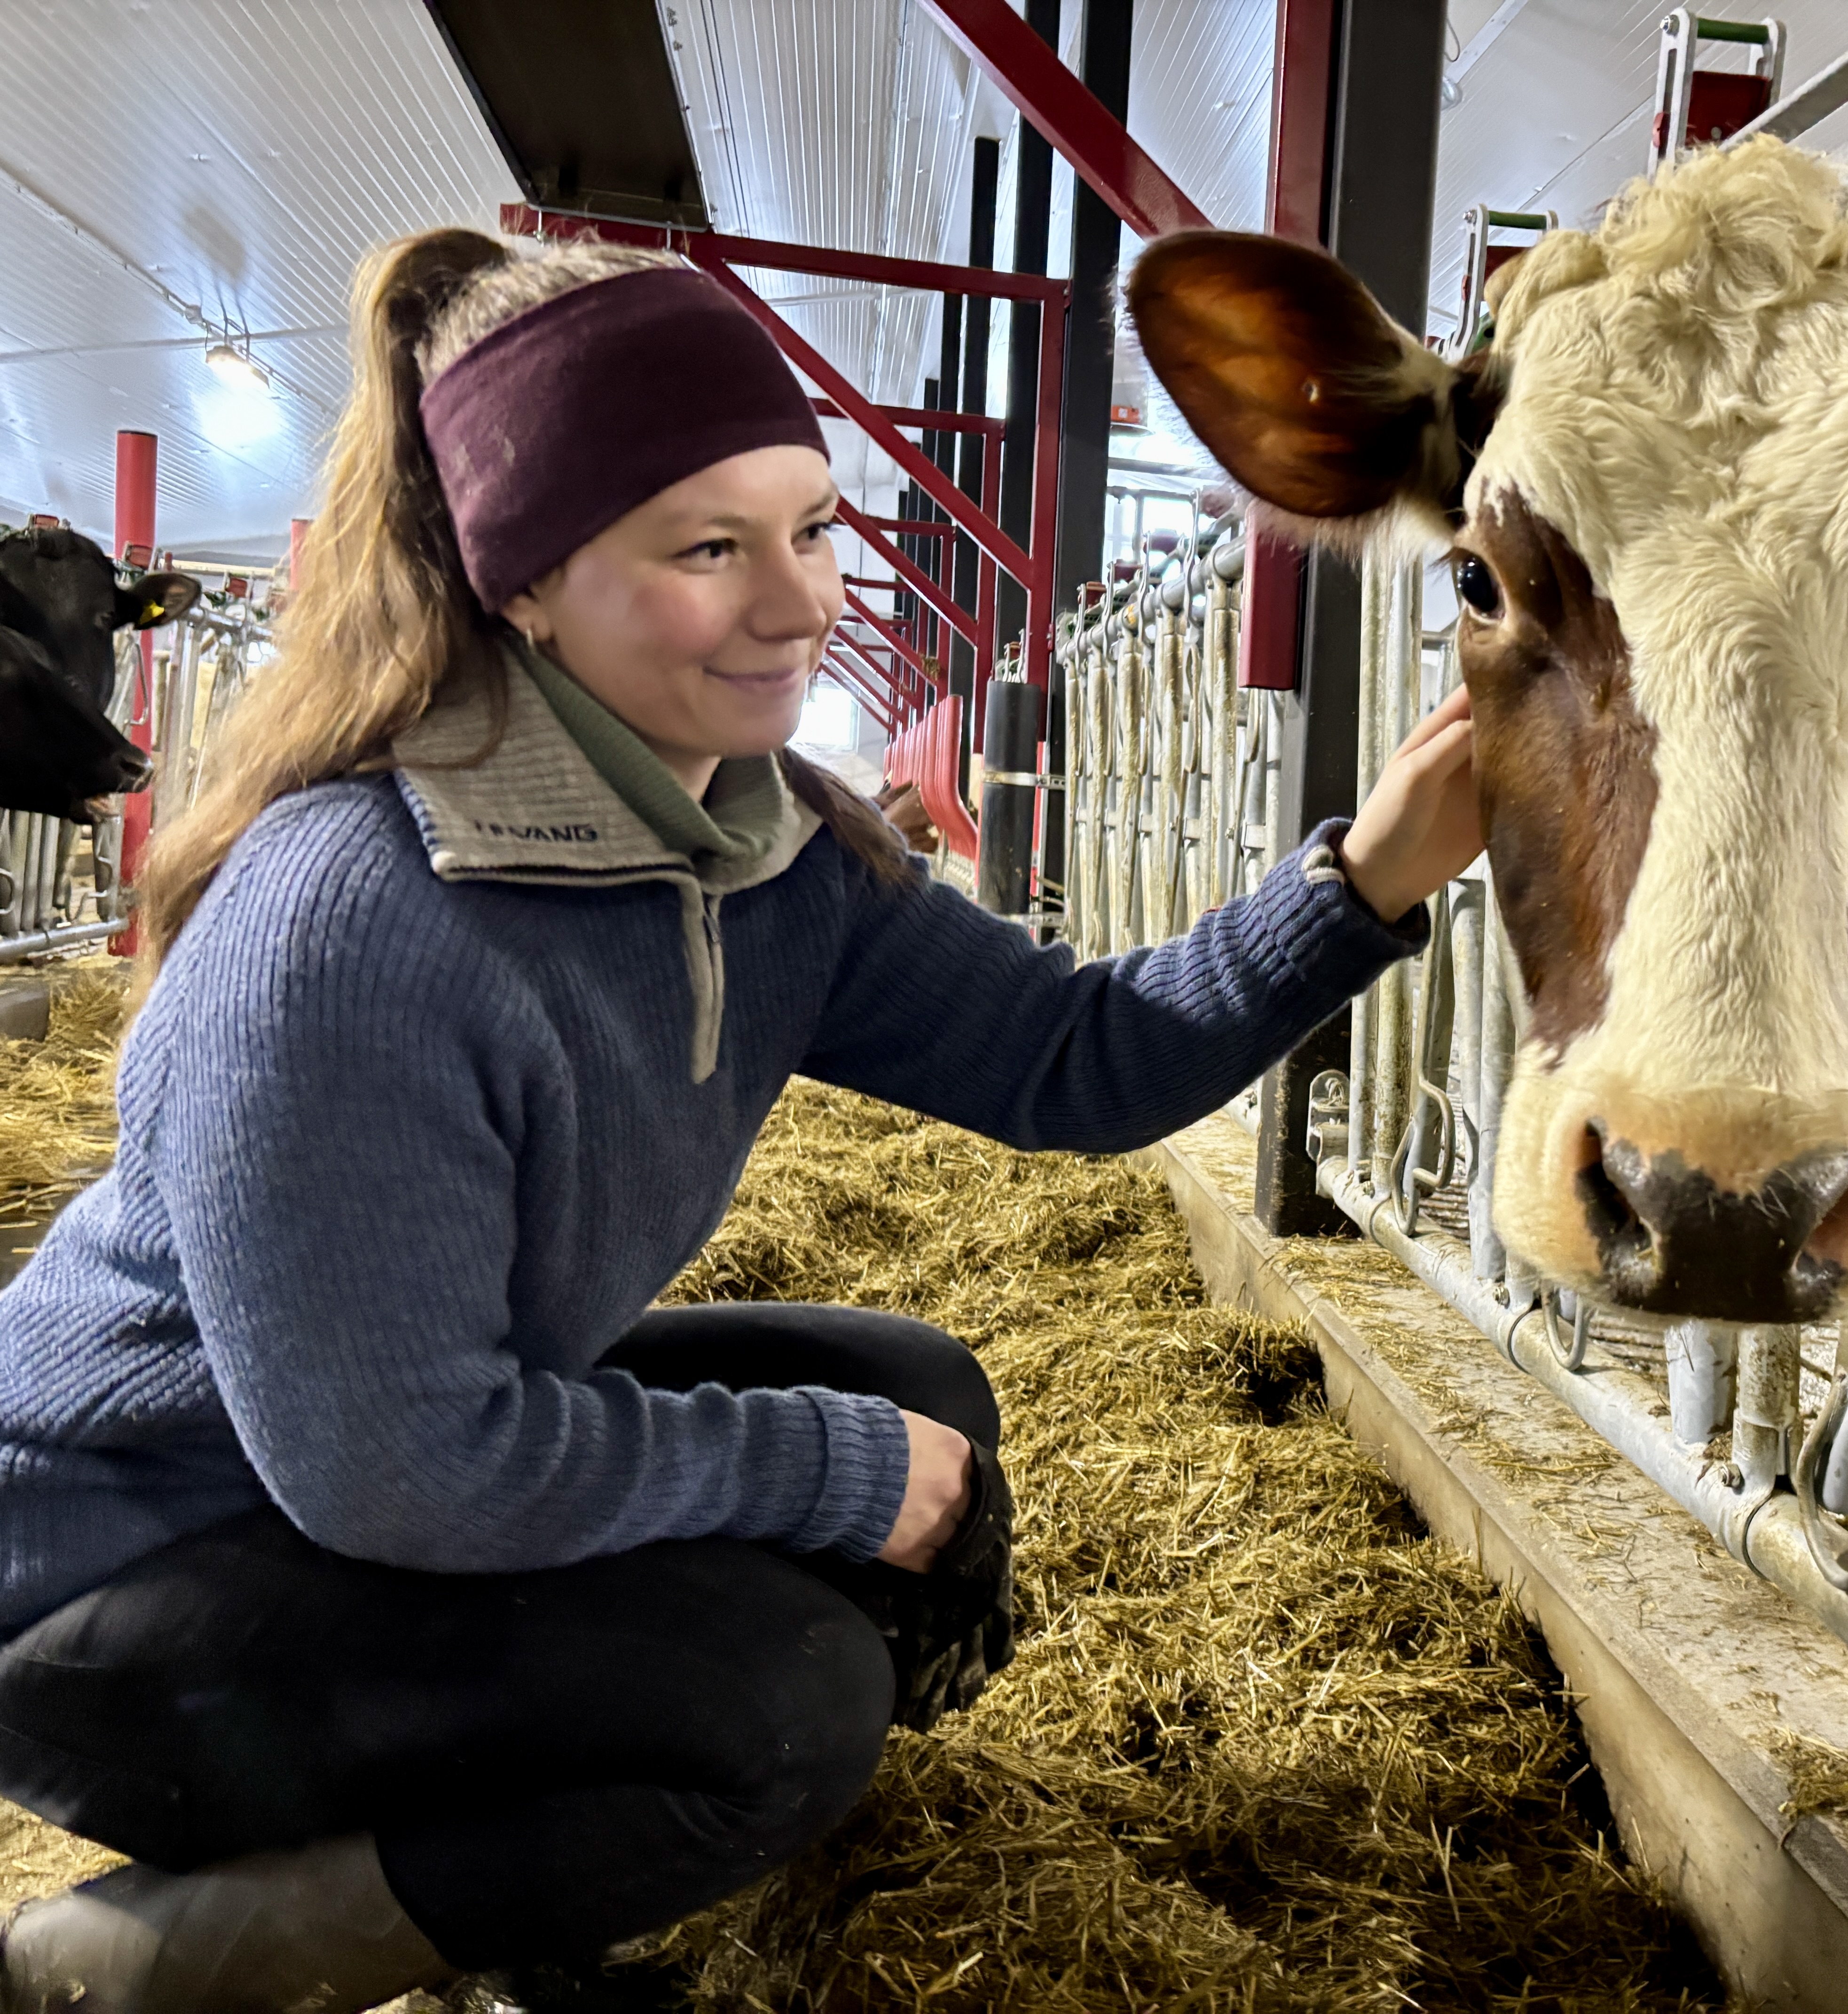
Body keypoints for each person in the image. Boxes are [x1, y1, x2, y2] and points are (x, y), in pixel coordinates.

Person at [0, 228, 1479, 2014]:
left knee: (923, 1392)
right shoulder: (362, 921)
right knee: (779, 1700)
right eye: (708, 548)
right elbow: (402, 1468)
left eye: (814, 528)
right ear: (525, 586)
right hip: (115, 1584)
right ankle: (106, 1966)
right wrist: (833, 1474)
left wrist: (1372, 873)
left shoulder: (764, 854)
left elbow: (1080, 1061)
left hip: (354, 1488)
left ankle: (515, 1863)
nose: (798, 606)